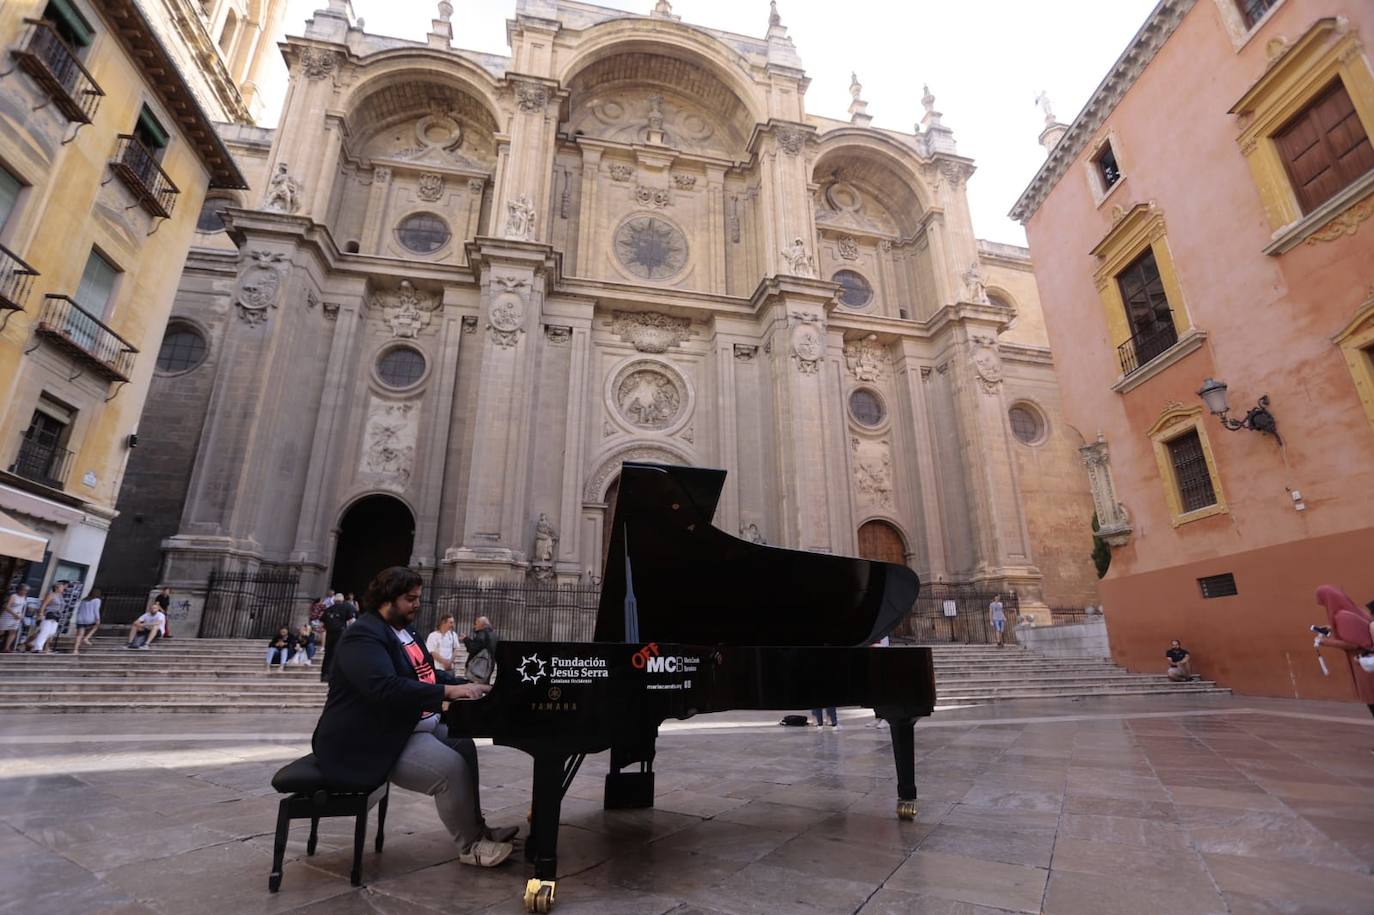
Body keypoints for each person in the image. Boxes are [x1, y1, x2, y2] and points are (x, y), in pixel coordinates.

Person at [312, 566, 517, 867]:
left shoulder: (406, 632)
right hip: (372, 737)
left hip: (408, 725)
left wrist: (470, 685)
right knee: (449, 768)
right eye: (410, 599)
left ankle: (477, 828)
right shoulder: (363, 635)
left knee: (464, 745)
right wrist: (448, 693)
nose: (417, 605)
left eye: (418, 598)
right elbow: (383, 687)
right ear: (387, 598)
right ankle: (470, 846)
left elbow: (427, 673)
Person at [1313, 585, 1374, 720]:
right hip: (1367, 661)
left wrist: (1325, 642)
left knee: (1372, 700)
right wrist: (1332, 628)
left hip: (1364, 663)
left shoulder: (1342, 616)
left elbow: (1354, 644)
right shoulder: (1351, 613)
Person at [320, 592, 357, 682]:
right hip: (340, 633)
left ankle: (324, 675)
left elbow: (322, 624)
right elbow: (352, 621)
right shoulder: (347, 607)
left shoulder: (328, 609)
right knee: (337, 653)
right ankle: (333, 675)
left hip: (329, 633)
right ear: (342, 600)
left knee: (328, 654)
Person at [27, 582, 65, 653]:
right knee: (45, 631)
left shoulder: (60, 596)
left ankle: (33, 643)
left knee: (52, 632)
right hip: (48, 614)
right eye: (61, 587)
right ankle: (37, 648)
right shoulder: (51, 595)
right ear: (56, 588)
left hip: (56, 616)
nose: (63, 588)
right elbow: (44, 604)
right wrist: (41, 613)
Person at [462, 616, 497, 684]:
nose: (474, 626)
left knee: (474, 687)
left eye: (476, 624)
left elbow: (472, 649)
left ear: (482, 625)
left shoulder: (482, 634)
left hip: (478, 668)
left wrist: (466, 639)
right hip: (488, 666)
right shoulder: (493, 634)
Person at [71, 588, 102, 655]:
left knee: (79, 635)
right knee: (96, 626)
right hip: (89, 619)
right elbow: (96, 610)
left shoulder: (84, 600)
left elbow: (79, 609)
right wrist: (98, 619)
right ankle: (86, 638)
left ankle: (75, 650)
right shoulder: (97, 600)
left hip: (80, 619)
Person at [1, 585, 27, 653]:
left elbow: (22, 607)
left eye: (26, 591)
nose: (25, 592)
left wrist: (21, 615)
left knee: (13, 631)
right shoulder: (13, 596)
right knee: (1, 631)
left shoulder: (24, 597)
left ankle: (6, 648)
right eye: (24, 590)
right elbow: (7, 607)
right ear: (19, 590)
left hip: (17, 617)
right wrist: (14, 614)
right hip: (8, 615)